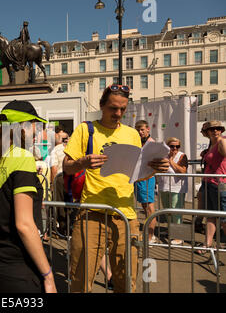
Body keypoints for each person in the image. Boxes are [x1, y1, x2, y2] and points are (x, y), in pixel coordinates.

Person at [63, 85, 169, 293]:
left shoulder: (131, 134)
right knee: (81, 279)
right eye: (113, 108)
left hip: (126, 216)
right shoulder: (86, 129)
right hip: (91, 215)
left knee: (126, 281)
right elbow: (67, 167)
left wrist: (155, 169)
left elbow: (136, 174)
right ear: (102, 106)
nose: (118, 113)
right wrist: (83, 162)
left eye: (123, 109)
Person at [0, 99, 56, 293]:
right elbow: (24, 225)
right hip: (18, 265)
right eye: (35, 126)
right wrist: (48, 276)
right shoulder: (22, 158)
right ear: (22, 127)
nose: (38, 132)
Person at [196, 120, 226, 254]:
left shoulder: (221, 141)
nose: (215, 131)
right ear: (208, 132)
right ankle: (207, 245)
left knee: (224, 217)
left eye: (218, 129)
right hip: (208, 183)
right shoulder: (211, 144)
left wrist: (221, 140)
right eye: (212, 129)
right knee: (210, 215)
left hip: (220, 184)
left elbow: (225, 152)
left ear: (221, 130)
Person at [157, 137, 188, 245]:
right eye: (172, 146)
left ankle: (179, 236)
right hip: (164, 186)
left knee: (176, 211)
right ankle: (171, 230)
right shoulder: (163, 155)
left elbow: (182, 171)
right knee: (167, 210)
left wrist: (170, 161)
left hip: (177, 188)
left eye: (177, 146)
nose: (174, 148)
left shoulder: (182, 156)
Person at [134, 120, 158, 243]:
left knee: (149, 208)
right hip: (139, 178)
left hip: (147, 178)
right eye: (138, 130)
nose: (140, 132)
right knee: (145, 207)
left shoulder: (151, 143)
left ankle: (150, 236)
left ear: (148, 129)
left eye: (142, 130)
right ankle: (150, 234)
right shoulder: (139, 142)